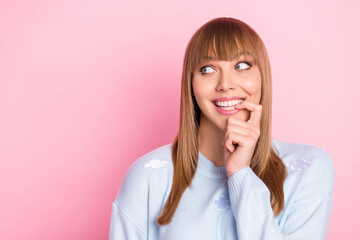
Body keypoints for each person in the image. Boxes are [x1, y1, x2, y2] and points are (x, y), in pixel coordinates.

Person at [108, 17, 334, 240]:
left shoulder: (307, 168)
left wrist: (240, 174)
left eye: (242, 66)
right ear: (191, 84)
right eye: (208, 69)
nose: (225, 83)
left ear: (263, 76)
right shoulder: (148, 176)